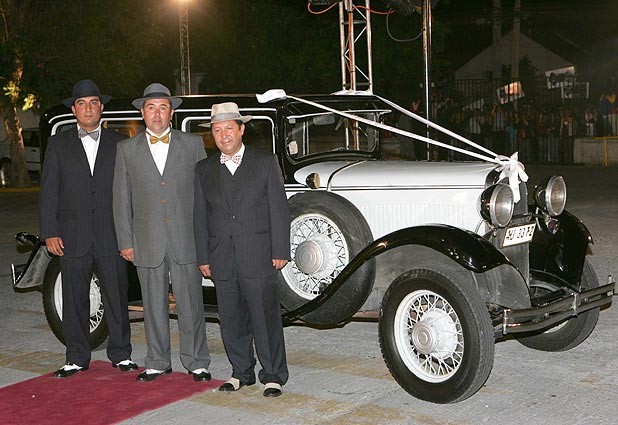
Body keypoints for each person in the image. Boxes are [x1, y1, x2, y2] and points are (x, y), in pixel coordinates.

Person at [113, 83, 210, 382]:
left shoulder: (192, 144)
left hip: (186, 239)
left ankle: (197, 361)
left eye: (163, 107)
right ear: (142, 113)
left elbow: (204, 196)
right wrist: (126, 241)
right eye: (151, 108)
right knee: (152, 305)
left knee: (191, 304)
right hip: (146, 241)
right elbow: (121, 198)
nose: (157, 114)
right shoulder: (126, 149)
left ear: (172, 113)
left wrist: (205, 239)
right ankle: (157, 361)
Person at [193, 102, 290, 397]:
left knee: (265, 318)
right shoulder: (204, 169)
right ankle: (241, 372)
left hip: (258, 254)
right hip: (221, 257)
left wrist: (280, 249)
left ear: (241, 130)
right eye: (217, 130)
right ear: (212, 134)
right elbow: (200, 216)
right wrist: (203, 256)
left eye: (229, 128)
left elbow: (278, 209)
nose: (223, 135)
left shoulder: (265, 162)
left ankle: (273, 375)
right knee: (231, 320)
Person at [39, 79, 135, 378]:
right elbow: (49, 191)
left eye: (93, 103)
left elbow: (129, 191)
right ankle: (76, 357)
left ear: (101, 108)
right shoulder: (58, 144)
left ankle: (121, 354)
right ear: (74, 110)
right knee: (74, 298)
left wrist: (130, 233)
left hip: (111, 234)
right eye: (82, 103)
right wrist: (50, 231)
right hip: (72, 235)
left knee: (116, 297)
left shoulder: (120, 143)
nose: (88, 108)